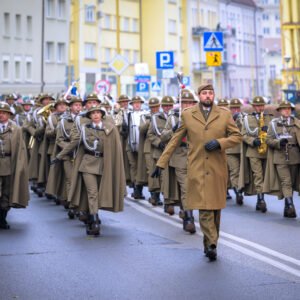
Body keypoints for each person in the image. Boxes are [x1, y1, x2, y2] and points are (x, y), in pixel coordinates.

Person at [153, 84, 242, 261]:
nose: (207, 96)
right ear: (199, 96)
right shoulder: (188, 115)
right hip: (196, 168)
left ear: (213, 95)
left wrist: (220, 143)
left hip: (217, 168)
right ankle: (212, 245)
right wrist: (161, 163)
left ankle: (208, 241)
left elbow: (237, 137)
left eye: (210, 93)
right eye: (204, 93)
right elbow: (174, 140)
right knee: (205, 208)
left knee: (215, 208)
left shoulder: (224, 114)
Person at [68, 105, 125, 236]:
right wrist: (60, 156)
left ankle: (90, 215)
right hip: (88, 164)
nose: (96, 115)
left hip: (104, 164)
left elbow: (116, 149)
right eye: (93, 113)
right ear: (89, 116)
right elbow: (75, 143)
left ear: (102, 114)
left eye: (98, 112)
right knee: (92, 193)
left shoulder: (110, 129)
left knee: (100, 193)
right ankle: (94, 220)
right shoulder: (85, 129)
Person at [160, 89, 198, 233]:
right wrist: (174, 130)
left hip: (196, 155)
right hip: (180, 155)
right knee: (186, 186)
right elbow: (163, 137)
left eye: (190, 103)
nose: (187, 105)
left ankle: (184, 207)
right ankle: (189, 217)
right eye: (185, 103)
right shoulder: (174, 118)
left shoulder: (200, 117)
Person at [264, 101, 299, 218]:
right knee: (286, 181)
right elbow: (268, 140)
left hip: (295, 156)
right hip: (280, 156)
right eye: (284, 109)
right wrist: (278, 142)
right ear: (279, 111)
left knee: (293, 182)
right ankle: (290, 205)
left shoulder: (297, 123)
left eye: (289, 108)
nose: (287, 110)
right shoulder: (274, 124)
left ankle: (286, 206)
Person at [240, 96, 273, 212]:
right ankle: (261, 199)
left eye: (262, 106)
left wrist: (268, 129)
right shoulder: (247, 119)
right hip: (253, 151)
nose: (260, 108)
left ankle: (261, 197)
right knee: (258, 175)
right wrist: (253, 141)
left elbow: (276, 133)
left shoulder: (270, 118)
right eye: (258, 106)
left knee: (265, 175)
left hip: (267, 151)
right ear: (254, 107)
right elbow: (243, 135)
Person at [0, 102, 29, 229]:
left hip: (8, 164)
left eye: (4, 113)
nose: (1, 115)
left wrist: (20, 166)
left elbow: (20, 149)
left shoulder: (16, 129)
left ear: (9, 115)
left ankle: (2, 218)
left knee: (7, 192)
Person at [226, 98, 244, 205]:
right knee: (234, 171)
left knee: (243, 172)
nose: (236, 110)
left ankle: (241, 189)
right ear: (230, 109)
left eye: (238, 108)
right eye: (233, 108)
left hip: (242, 149)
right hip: (230, 150)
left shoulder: (244, 118)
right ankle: (238, 193)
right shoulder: (225, 118)